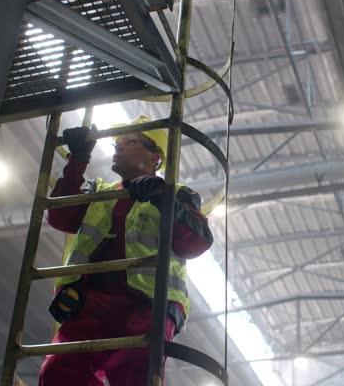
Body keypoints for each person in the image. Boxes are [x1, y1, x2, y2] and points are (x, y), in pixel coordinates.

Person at [38, 116, 213, 386]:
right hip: (90, 303)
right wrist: (78, 159)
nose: (118, 148)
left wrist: (163, 198)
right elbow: (61, 218)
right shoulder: (100, 193)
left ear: (156, 156)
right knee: (58, 374)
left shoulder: (177, 194)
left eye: (129, 142)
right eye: (117, 143)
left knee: (135, 373)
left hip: (148, 305)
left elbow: (196, 242)